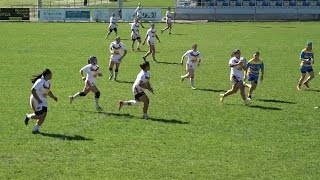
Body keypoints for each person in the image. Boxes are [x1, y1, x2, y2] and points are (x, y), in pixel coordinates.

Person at [24, 69, 58, 134]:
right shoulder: (40, 81)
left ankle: (35, 130)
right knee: (40, 115)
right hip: (35, 100)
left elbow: (48, 91)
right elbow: (33, 90)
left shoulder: (48, 82)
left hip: (43, 100)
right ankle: (28, 116)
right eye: (51, 74)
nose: (52, 76)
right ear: (47, 75)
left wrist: (54, 97)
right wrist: (38, 100)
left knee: (43, 115)